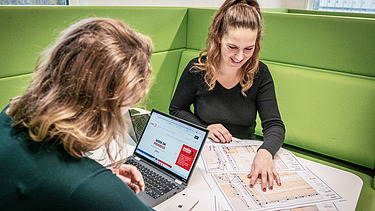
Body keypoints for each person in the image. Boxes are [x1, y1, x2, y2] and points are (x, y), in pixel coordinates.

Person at [0, 18, 154, 210]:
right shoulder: (92, 188)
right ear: (108, 106)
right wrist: (99, 186)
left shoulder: (9, 116)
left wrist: (102, 176)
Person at [169, 0, 285, 192]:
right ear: (218, 38)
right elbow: (176, 110)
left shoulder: (260, 73)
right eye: (232, 47)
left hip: (244, 160)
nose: (240, 57)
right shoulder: (197, 69)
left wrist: (265, 151)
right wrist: (204, 128)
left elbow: (274, 125)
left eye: (249, 49)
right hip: (204, 158)